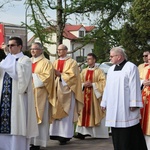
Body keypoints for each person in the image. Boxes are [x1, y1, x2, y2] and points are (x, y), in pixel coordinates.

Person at [100, 47, 147, 150]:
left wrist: (134, 103)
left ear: (119, 56)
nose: (110, 58)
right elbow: (107, 87)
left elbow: (134, 86)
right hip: (113, 106)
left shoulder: (131, 67)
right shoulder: (111, 69)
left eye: (112, 56)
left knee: (130, 131)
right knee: (116, 132)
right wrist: (104, 102)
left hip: (126, 106)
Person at [0, 37, 38, 150]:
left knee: (17, 123)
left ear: (20, 46)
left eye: (12, 45)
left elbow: (19, 75)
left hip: (18, 99)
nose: (9, 48)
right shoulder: (7, 60)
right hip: (4, 99)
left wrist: (7, 59)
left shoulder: (25, 60)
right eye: (9, 46)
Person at [49, 44, 84, 145]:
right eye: (58, 50)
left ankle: (65, 135)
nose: (59, 51)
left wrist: (60, 75)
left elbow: (73, 77)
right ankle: (55, 133)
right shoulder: (55, 62)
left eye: (61, 50)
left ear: (66, 50)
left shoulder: (72, 62)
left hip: (67, 90)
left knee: (66, 112)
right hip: (56, 90)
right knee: (55, 109)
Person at [74, 53, 109, 139]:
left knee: (95, 112)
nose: (88, 60)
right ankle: (82, 133)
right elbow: (79, 82)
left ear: (94, 60)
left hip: (94, 97)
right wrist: (83, 84)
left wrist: (93, 84)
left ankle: (97, 133)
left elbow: (103, 83)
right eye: (87, 59)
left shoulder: (99, 71)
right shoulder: (84, 71)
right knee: (83, 113)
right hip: (84, 95)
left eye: (89, 59)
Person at [30, 42, 56, 150]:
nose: (32, 51)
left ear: (41, 50)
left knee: (40, 117)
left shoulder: (47, 63)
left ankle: (38, 142)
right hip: (29, 94)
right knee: (29, 118)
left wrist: (32, 76)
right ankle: (30, 141)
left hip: (40, 95)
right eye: (31, 49)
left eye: (35, 49)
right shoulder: (28, 61)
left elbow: (47, 78)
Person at [140, 53, 150, 150]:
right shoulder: (144, 69)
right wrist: (143, 82)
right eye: (149, 59)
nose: (148, 61)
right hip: (144, 98)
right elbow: (138, 81)